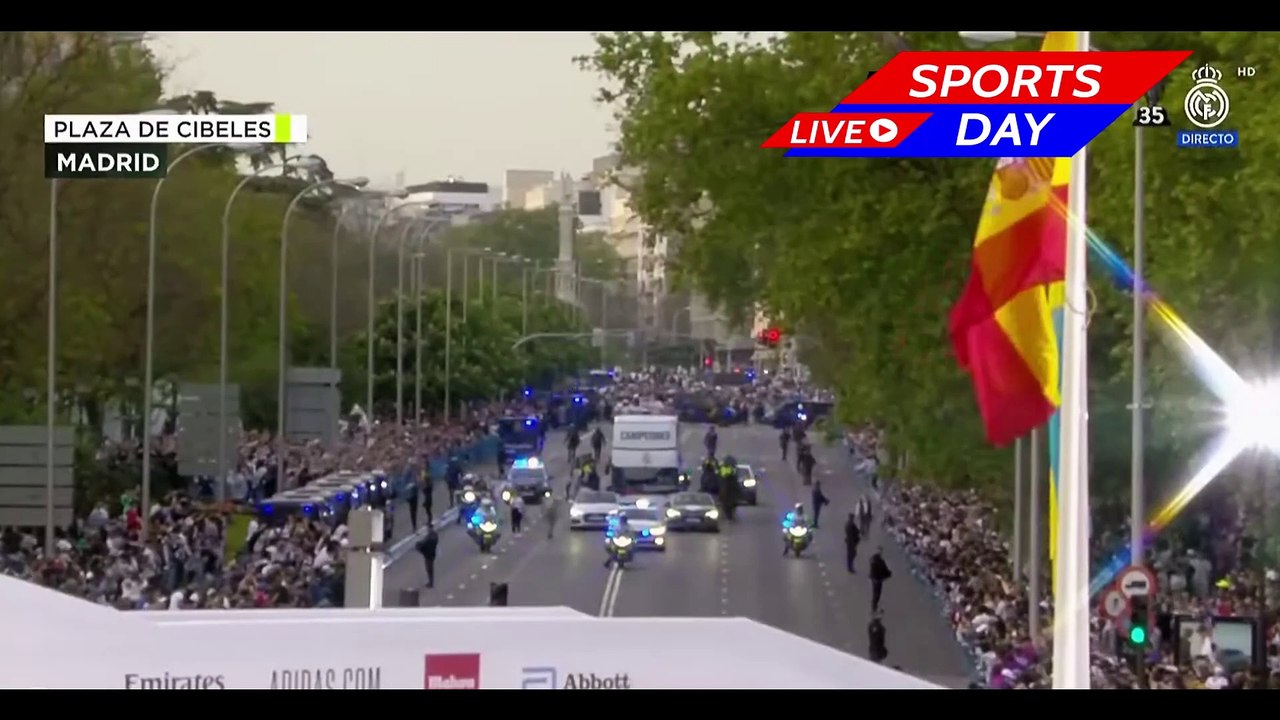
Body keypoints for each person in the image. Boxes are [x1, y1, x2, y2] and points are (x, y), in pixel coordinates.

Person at [869, 547, 892, 614]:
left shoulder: (872, 559)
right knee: (877, 595)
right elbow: (883, 570)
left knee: (875, 594)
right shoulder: (880, 561)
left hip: (874, 579)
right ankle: (874, 609)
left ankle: (874, 607)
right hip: (878, 579)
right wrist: (888, 574)